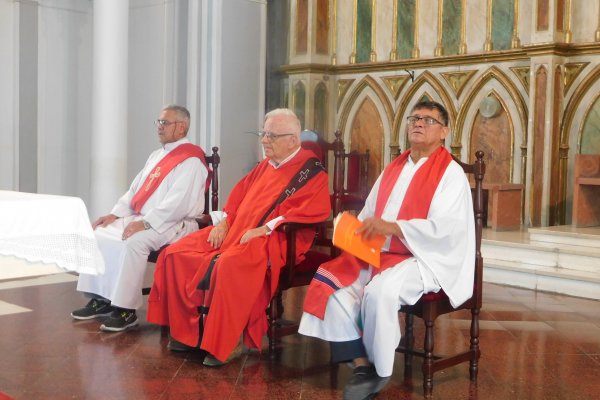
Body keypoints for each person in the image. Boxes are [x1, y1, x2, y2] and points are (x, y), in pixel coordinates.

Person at [298, 101, 475, 400]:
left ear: (444, 132)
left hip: (426, 258)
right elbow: (370, 213)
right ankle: (361, 364)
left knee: (380, 292)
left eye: (428, 120)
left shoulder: (451, 174)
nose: (419, 124)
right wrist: (354, 229)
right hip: (381, 252)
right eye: (415, 118)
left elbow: (446, 229)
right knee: (333, 286)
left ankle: (379, 373)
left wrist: (394, 228)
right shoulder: (395, 166)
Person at [146, 108, 331, 366]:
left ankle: (228, 341)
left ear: (292, 140)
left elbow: (313, 211)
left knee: (228, 264)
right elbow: (237, 197)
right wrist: (224, 223)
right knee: (175, 253)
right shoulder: (265, 166)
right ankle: (188, 334)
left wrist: (264, 230)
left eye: (271, 136)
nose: (264, 140)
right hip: (236, 230)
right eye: (263, 134)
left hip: (276, 240)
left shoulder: (311, 172)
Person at [72, 105, 210, 332]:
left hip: (175, 223)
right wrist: (115, 214)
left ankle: (126, 311)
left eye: (165, 123)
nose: (159, 127)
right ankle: (101, 298)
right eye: (158, 122)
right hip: (143, 217)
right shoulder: (157, 155)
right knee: (100, 233)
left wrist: (145, 223)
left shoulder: (191, 161)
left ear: (181, 127)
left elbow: (179, 203)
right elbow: (135, 189)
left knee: (134, 242)